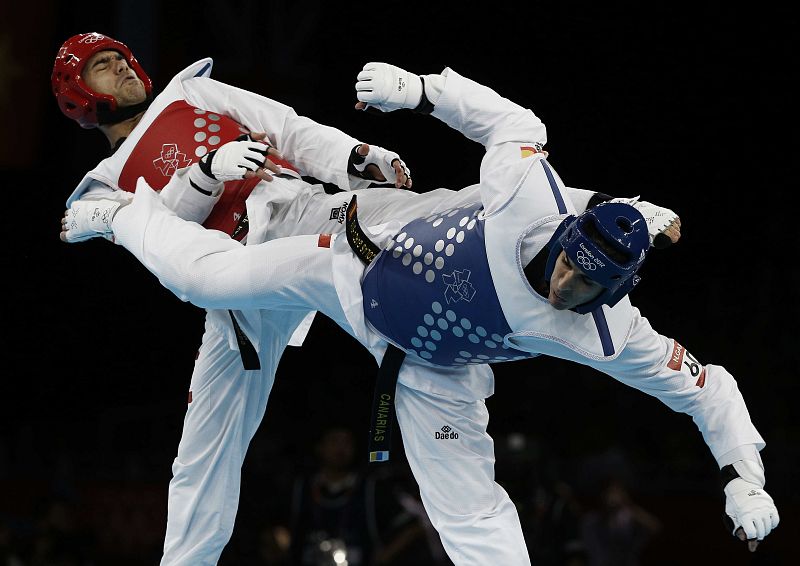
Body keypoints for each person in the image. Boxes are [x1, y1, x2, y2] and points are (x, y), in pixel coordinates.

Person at [60, 61, 778, 565]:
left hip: (431, 362)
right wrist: (422, 92)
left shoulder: (607, 331)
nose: (566, 288)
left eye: (587, 288)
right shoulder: (530, 195)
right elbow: (513, 123)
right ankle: (120, 218)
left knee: (468, 509)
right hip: (350, 258)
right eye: (569, 262)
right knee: (210, 289)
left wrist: (742, 472)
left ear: (613, 297)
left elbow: (705, 386)